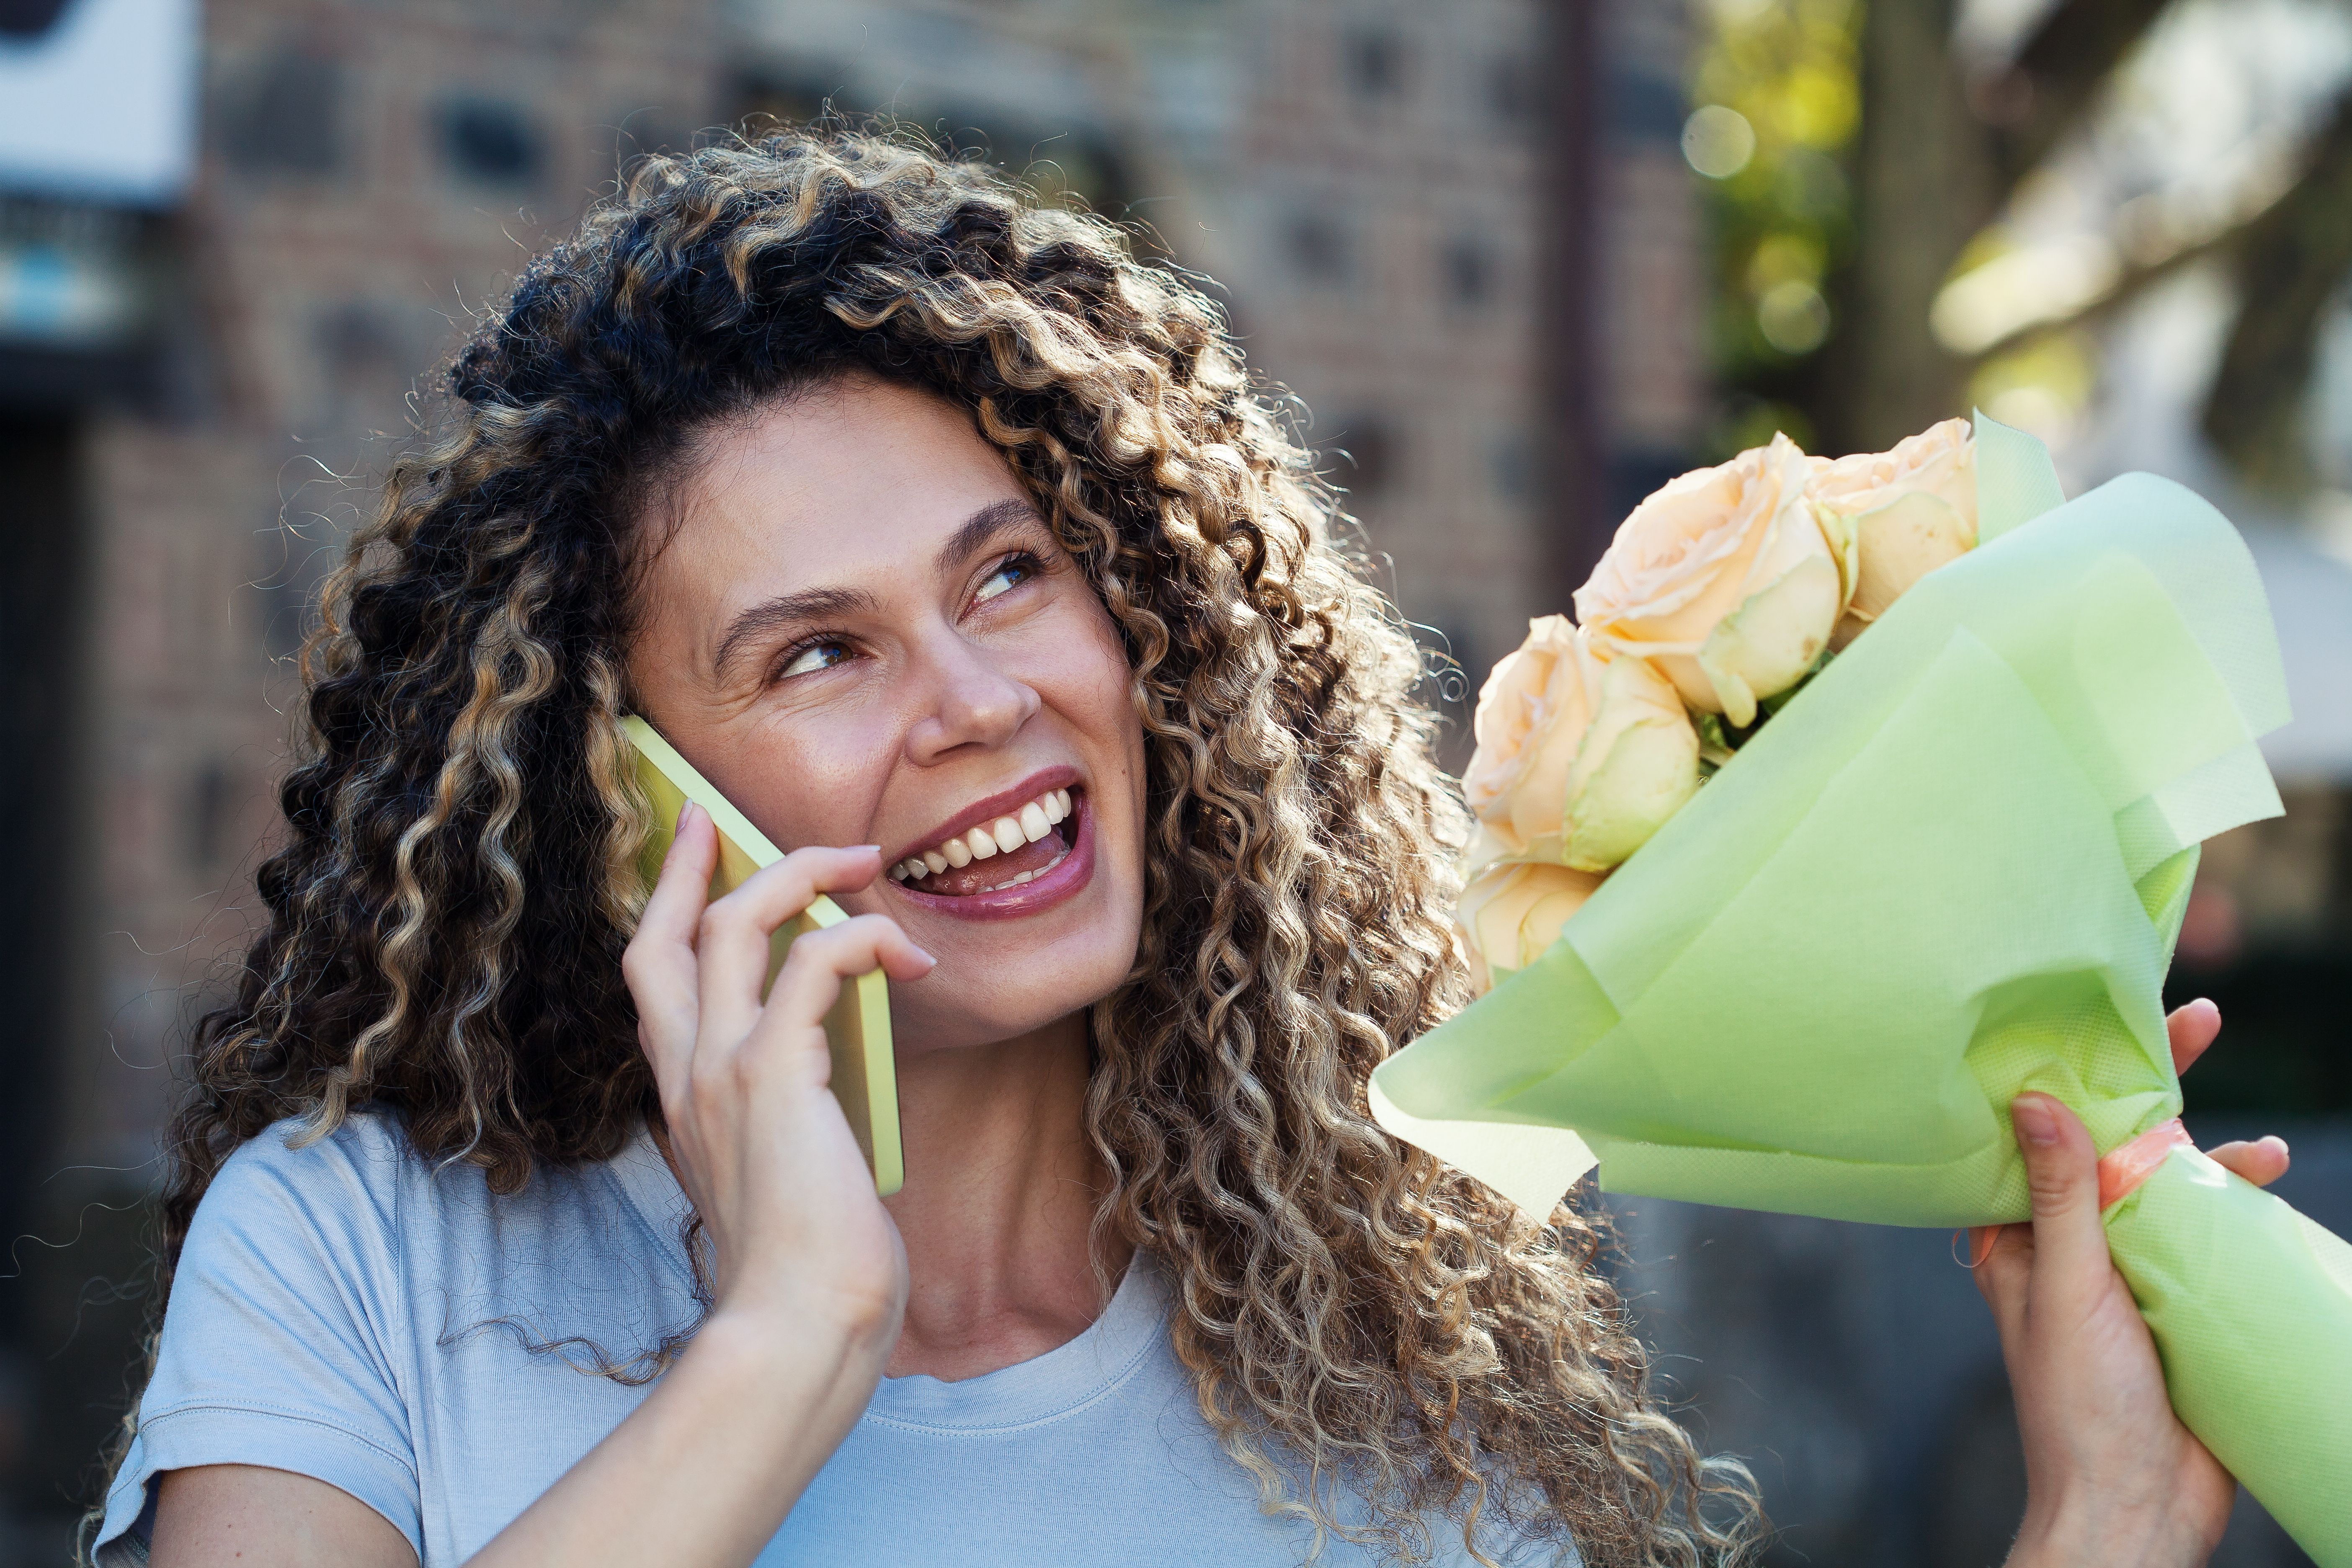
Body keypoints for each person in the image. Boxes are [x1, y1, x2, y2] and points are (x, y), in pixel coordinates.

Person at [93, 129, 2290, 1568]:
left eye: (1010, 575)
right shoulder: (362, 1262)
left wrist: (2101, 1519)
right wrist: (789, 1338)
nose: (975, 700)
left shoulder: (1406, 1393)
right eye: (819, 652)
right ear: (627, 795)